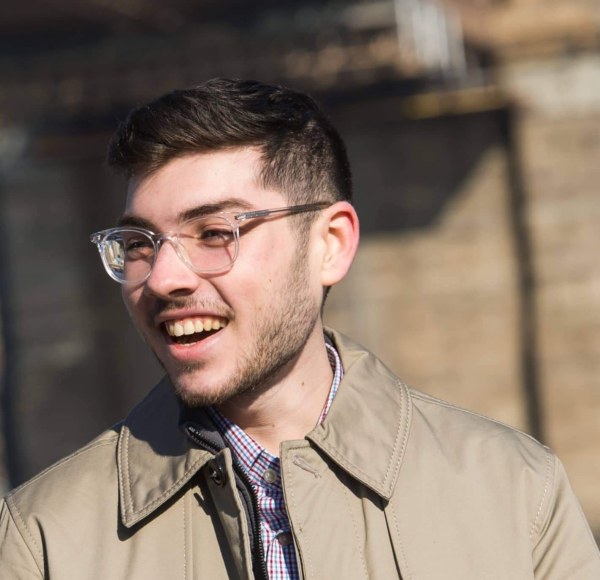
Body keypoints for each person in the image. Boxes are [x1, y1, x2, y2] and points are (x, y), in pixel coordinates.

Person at [1, 78, 599, 580]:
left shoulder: (517, 492)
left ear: (329, 246)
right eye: (138, 243)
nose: (161, 279)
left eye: (214, 233)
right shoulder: (40, 541)